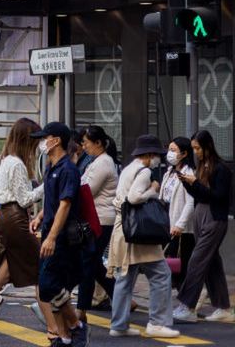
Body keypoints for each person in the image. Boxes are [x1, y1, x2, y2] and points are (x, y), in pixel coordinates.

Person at [0, 118, 49, 343]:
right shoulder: (17, 164)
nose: (38, 145)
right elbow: (25, 199)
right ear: (27, 140)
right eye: (35, 140)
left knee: (0, 276)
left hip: (6, 218)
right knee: (42, 269)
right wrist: (47, 185)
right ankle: (55, 325)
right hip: (16, 220)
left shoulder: (5, 160)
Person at [106, 135, 179, 338]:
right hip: (139, 233)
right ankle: (158, 322)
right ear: (149, 155)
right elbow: (134, 197)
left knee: (124, 278)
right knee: (161, 275)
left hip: (124, 230)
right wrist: (153, 191)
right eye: (157, 155)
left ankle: (118, 325)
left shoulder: (128, 169)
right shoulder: (144, 171)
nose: (158, 159)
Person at [29, 122, 89, 347]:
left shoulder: (68, 170)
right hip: (50, 232)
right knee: (51, 286)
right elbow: (53, 201)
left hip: (62, 237)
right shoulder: (51, 167)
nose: (42, 143)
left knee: (48, 284)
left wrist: (52, 237)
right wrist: (40, 216)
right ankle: (64, 338)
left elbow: (65, 204)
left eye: (45, 138)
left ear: (56, 141)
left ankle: (76, 326)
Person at [173, 130, 233, 323]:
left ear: (207, 146)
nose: (195, 152)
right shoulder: (201, 166)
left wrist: (195, 183)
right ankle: (223, 307)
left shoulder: (221, 169)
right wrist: (187, 183)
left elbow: (218, 197)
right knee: (212, 263)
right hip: (201, 217)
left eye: (198, 148)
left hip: (214, 218)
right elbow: (199, 195)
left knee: (196, 261)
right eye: (193, 148)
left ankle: (187, 306)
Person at [76, 125, 118, 319]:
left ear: (98, 143)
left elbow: (87, 191)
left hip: (100, 220)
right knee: (93, 264)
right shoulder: (97, 161)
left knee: (87, 263)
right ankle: (122, 297)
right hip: (96, 219)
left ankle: (81, 309)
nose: (84, 146)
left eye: (86, 142)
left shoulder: (103, 163)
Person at [160, 137, 195, 289]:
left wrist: (180, 224)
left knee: (181, 263)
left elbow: (191, 202)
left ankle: (185, 294)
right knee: (170, 261)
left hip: (181, 228)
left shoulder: (189, 173)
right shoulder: (169, 172)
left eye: (173, 150)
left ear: (184, 153)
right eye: (169, 149)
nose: (170, 153)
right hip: (167, 222)